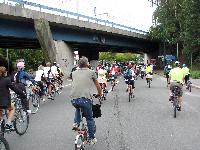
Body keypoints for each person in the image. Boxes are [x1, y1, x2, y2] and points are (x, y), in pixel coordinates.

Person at [70, 56, 102, 144]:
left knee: (78, 107)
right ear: (87, 64)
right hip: (85, 99)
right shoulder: (91, 72)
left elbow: (77, 84)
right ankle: (91, 138)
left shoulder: (74, 73)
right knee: (89, 118)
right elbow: (98, 85)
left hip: (73, 99)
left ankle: (76, 123)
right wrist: (100, 94)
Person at [0, 66, 26, 131]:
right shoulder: (6, 80)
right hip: (3, 101)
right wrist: (23, 94)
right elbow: (14, 89)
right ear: (4, 73)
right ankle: (8, 124)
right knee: (12, 108)